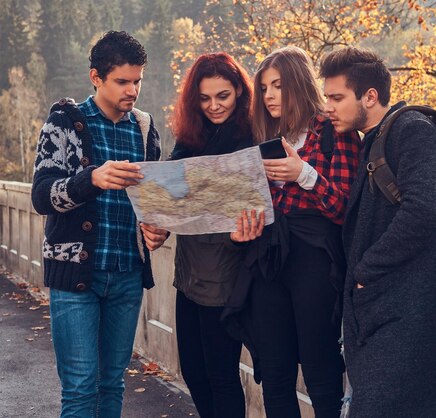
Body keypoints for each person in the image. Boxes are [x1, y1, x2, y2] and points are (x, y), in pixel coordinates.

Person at [30, 31, 168, 418]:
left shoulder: (143, 128)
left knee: (112, 384)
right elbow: (42, 196)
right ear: (96, 77)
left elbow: (154, 203)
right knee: (79, 389)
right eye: (122, 81)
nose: (132, 90)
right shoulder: (66, 121)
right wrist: (90, 179)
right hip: (76, 276)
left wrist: (159, 229)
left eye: (137, 80)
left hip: (127, 275)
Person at [320, 47, 436, 418]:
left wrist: (368, 270)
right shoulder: (375, 139)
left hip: (407, 308)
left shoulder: (412, 130)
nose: (328, 108)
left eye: (337, 98)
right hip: (387, 309)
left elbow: (424, 209)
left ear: (370, 96)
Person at [233, 45, 361, 418]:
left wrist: (302, 173)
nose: (269, 95)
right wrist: (243, 226)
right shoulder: (265, 137)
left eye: (278, 85)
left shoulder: (333, 131)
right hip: (270, 258)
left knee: (320, 371)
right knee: (273, 374)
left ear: (298, 85)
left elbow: (342, 209)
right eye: (264, 87)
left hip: (316, 261)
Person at [168, 52, 262, 418]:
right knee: (192, 371)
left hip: (225, 271)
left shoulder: (251, 136)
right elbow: (171, 195)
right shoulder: (190, 136)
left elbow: (261, 207)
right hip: (188, 270)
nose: (214, 106)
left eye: (222, 96)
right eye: (205, 99)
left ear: (239, 89)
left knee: (221, 374)